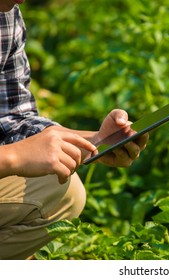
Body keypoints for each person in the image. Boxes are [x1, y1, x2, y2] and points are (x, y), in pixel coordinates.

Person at [0, 0, 148, 259]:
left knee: (59, 190)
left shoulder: (6, 16)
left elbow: (12, 115)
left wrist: (94, 141)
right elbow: (16, 153)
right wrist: (14, 157)